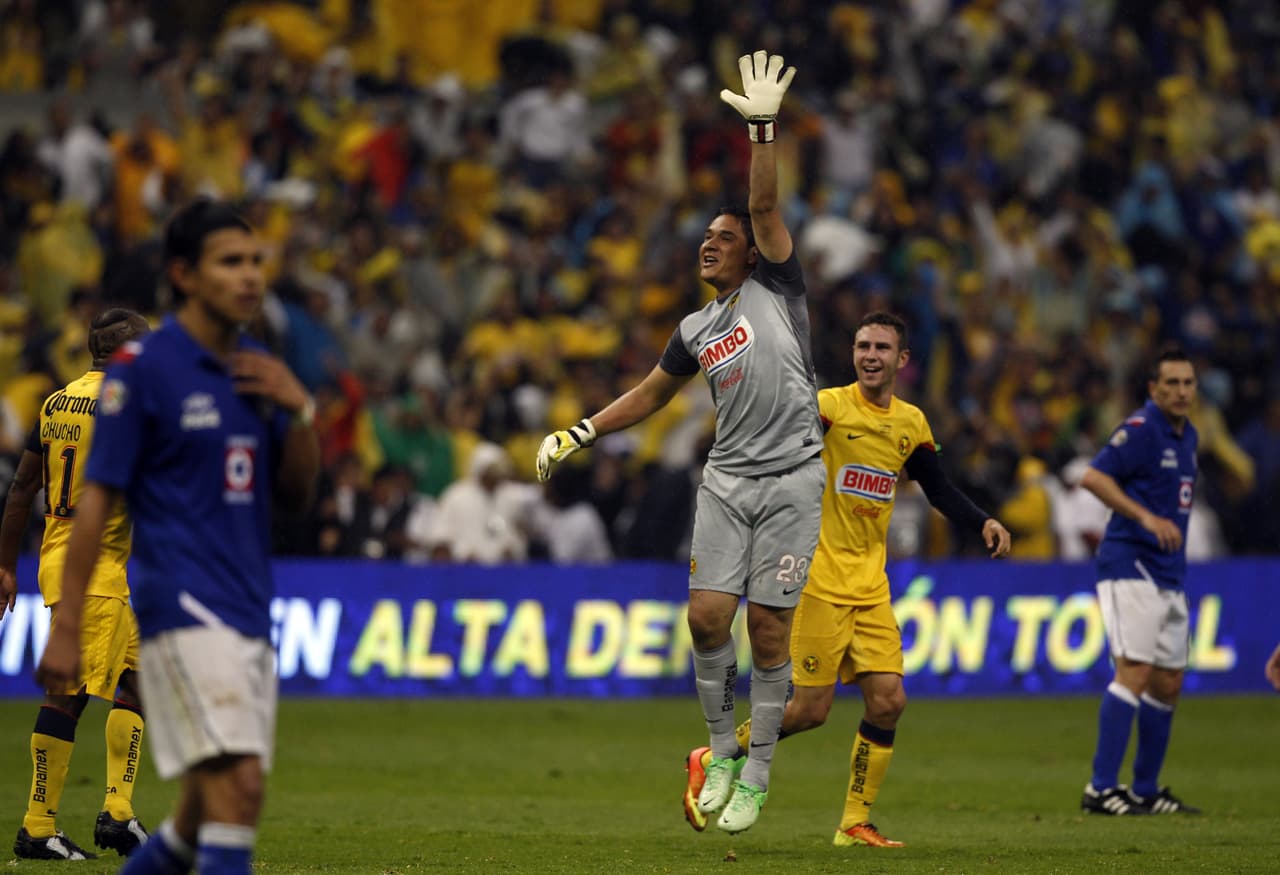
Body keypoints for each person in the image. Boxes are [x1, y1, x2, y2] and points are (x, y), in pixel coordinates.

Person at [537, 50, 824, 835]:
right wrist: (583, 429)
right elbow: (653, 393)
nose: (709, 244)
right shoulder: (696, 328)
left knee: (767, 631)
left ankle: (758, 769)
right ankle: (721, 750)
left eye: (722, 238)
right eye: (703, 236)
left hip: (795, 478)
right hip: (728, 479)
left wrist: (761, 129)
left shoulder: (778, 289)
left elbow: (765, 207)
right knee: (705, 618)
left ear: (751, 253)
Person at [35, 198, 321, 875]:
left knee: (195, 817)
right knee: (239, 789)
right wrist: (68, 621)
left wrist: (300, 410)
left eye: (255, 261)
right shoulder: (144, 372)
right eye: (231, 262)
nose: (250, 276)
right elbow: (94, 496)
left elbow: (297, 495)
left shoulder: (256, 368)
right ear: (185, 275)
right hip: (179, 603)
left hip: (247, 602)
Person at [682, 312, 1013, 846]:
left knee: (889, 700)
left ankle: (853, 822)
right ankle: (712, 755)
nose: (870, 355)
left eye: (882, 347)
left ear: (902, 360)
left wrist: (984, 521)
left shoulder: (911, 424)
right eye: (863, 345)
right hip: (817, 582)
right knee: (810, 711)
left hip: (871, 586)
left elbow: (938, 488)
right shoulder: (830, 409)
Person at [0, 308, 151, 861]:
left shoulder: (57, 401)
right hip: (97, 568)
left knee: (140, 677)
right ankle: (37, 827)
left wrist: (6, 564)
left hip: (60, 554)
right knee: (67, 694)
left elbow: (21, 489)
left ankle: (117, 814)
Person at [1078, 346, 1200, 816]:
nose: (1181, 391)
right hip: (1131, 565)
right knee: (1135, 670)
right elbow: (1094, 477)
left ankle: (1146, 790)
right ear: (1153, 389)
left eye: (1187, 383)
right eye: (1171, 383)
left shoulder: (1187, 436)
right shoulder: (1142, 430)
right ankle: (1101, 789)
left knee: (1168, 681)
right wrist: (1145, 519)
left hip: (1169, 573)